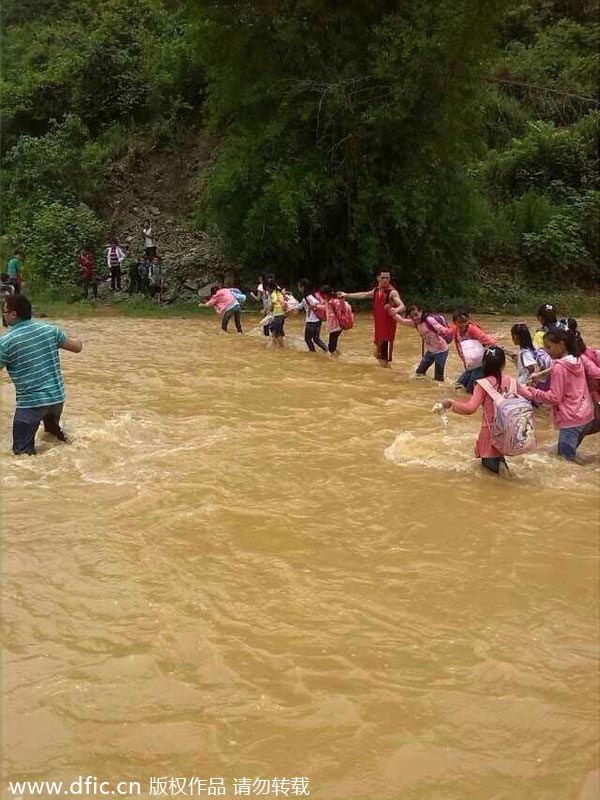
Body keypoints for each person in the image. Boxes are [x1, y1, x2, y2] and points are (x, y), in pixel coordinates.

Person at [0, 294, 82, 455]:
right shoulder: (50, 330)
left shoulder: (6, 342)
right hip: (56, 399)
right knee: (54, 438)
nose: (3, 316)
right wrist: (78, 339)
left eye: (4, 312)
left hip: (31, 404)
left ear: (14, 314)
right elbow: (77, 347)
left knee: (22, 456)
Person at [441, 347, 534, 475]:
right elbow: (529, 396)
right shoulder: (512, 381)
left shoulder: (482, 384)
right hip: (509, 433)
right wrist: (530, 386)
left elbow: (470, 408)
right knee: (499, 469)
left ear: (484, 364)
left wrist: (451, 403)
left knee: (491, 474)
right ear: (503, 364)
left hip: (490, 435)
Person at [528, 329, 600, 462]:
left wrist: (532, 392)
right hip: (586, 416)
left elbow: (554, 398)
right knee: (568, 459)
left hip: (571, 421)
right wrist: (541, 374)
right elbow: (595, 372)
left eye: (549, 347)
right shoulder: (578, 358)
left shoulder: (559, 367)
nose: (547, 351)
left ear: (561, 344)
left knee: (564, 462)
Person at [338, 269, 405, 367]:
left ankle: (387, 374)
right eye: (383, 278)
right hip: (379, 330)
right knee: (376, 355)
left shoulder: (392, 292)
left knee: (383, 360)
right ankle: (387, 373)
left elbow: (402, 305)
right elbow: (363, 295)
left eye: (387, 278)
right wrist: (347, 295)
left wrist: (396, 309)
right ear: (378, 278)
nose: (385, 280)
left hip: (387, 332)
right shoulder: (376, 290)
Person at [443, 309, 498, 394]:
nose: (463, 324)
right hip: (470, 364)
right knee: (458, 386)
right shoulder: (455, 329)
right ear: (455, 323)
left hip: (480, 363)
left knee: (470, 389)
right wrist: (434, 330)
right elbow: (446, 332)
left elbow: (487, 340)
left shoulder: (473, 329)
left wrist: (497, 347)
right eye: (460, 322)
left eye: (465, 321)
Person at [390, 305, 450, 381]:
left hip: (441, 351)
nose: (415, 318)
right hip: (430, 351)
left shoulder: (429, 320)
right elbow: (402, 321)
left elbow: (443, 329)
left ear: (421, 312)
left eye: (416, 315)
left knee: (438, 378)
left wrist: (442, 331)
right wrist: (392, 312)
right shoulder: (416, 323)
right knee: (419, 373)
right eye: (412, 316)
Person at [510, 322, 551, 387]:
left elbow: (536, 367)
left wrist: (531, 382)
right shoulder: (533, 347)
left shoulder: (524, 353)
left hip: (525, 384)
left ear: (515, 337)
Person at [297, 279, 327, 352]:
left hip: (311, 321)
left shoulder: (308, 297)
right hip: (318, 320)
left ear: (303, 287)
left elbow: (316, 303)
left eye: (299, 287)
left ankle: (313, 352)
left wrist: (313, 306)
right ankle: (327, 350)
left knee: (307, 339)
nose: (299, 288)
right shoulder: (313, 295)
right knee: (316, 339)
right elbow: (300, 306)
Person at [320, 286, 345, 355]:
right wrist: (316, 306)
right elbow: (325, 308)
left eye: (323, 294)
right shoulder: (328, 302)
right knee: (332, 347)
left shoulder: (335, 302)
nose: (322, 296)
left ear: (326, 294)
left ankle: (337, 359)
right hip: (333, 327)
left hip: (337, 327)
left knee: (331, 348)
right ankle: (340, 356)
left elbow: (340, 313)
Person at [265, 278, 286, 346]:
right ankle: (276, 345)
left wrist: (268, 310)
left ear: (269, 287)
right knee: (275, 329)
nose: (267, 290)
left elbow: (274, 301)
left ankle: (281, 347)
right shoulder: (278, 292)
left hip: (278, 314)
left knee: (276, 332)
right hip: (281, 314)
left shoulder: (274, 293)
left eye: (267, 288)